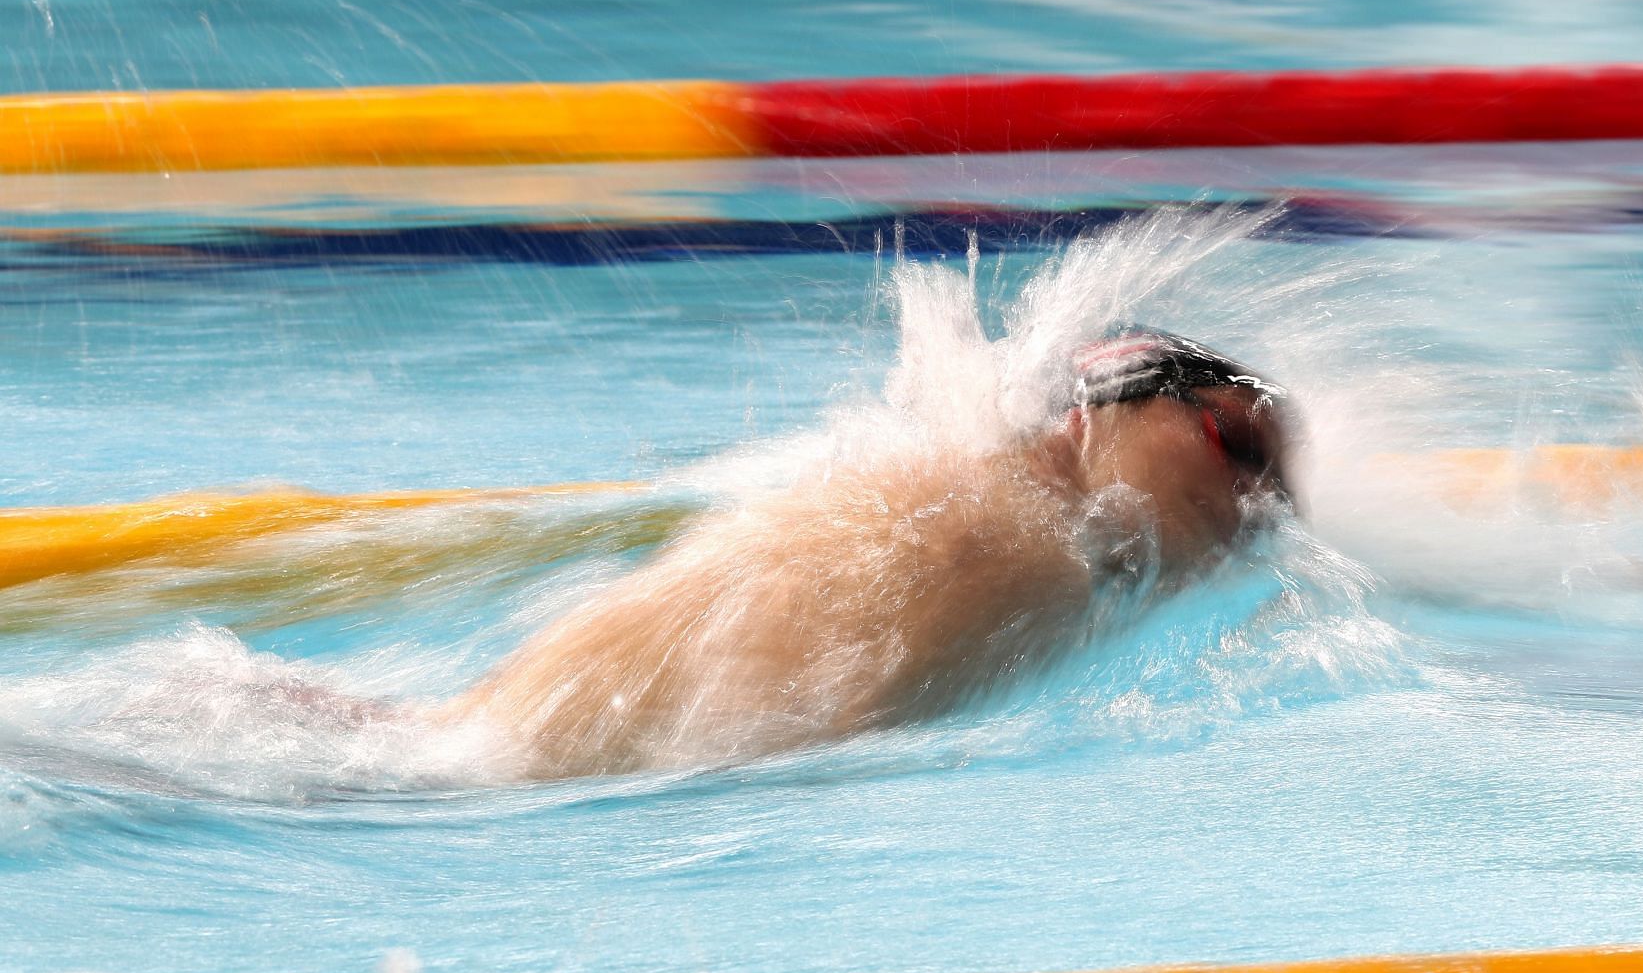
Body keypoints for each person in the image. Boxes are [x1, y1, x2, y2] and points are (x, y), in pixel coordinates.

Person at [442, 328, 1299, 777]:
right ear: (1101, 412)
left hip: (498, 744)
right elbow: (783, 739)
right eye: (1236, 444)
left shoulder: (1000, 506)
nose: (1255, 501)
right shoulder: (1009, 545)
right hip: (520, 773)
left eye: (1277, 492)